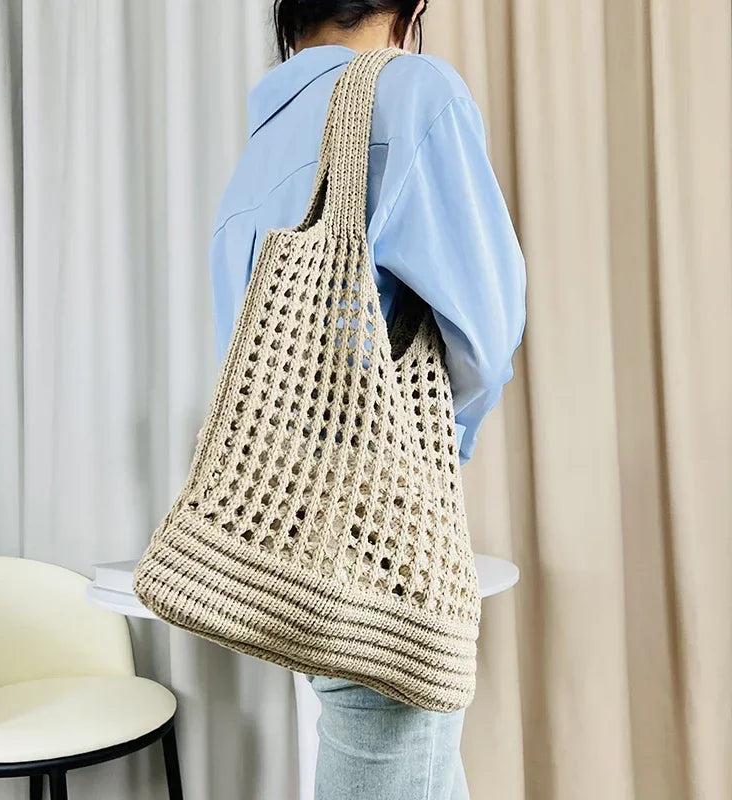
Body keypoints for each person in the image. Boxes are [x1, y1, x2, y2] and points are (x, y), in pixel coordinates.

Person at [207, 2, 527, 798]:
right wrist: (440, 440)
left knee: (393, 755)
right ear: (408, 10)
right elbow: (487, 330)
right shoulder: (411, 92)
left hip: (292, 523)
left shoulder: (263, 143)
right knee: (400, 753)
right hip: (382, 522)